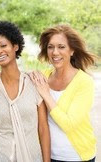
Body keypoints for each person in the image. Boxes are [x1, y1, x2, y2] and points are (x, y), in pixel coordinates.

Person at [0, 20, 50, 162]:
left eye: (3, 45)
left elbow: (43, 128)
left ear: (15, 46)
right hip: (1, 156)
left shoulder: (34, 83)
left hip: (33, 156)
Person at [30, 25, 96, 162]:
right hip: (49, 156)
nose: (55, 52)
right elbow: (15, 79)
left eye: (61, 47)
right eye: (50, 47)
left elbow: (69, 124)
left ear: (72, 50)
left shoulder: (84, 82)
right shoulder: (43, 77)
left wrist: (46, 95)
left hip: (78, 157)